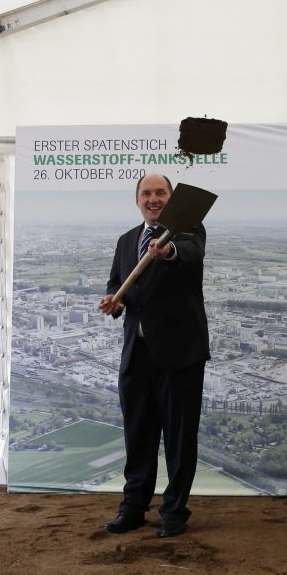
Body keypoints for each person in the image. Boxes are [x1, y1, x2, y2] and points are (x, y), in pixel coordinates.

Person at [97, 173, 209, 538]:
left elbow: (190, 256)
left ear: (171, 199)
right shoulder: (127, 240)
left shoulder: (187, 231)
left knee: (179, 437)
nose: (153, 198)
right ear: (137, 200)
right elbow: (118, 283)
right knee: (138, 433)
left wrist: (168, 251)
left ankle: (174, 511)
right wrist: (114, 301)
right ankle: (133, 507)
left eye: (161, 192)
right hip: (137, 354)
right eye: (147, 193)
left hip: (180, 355)